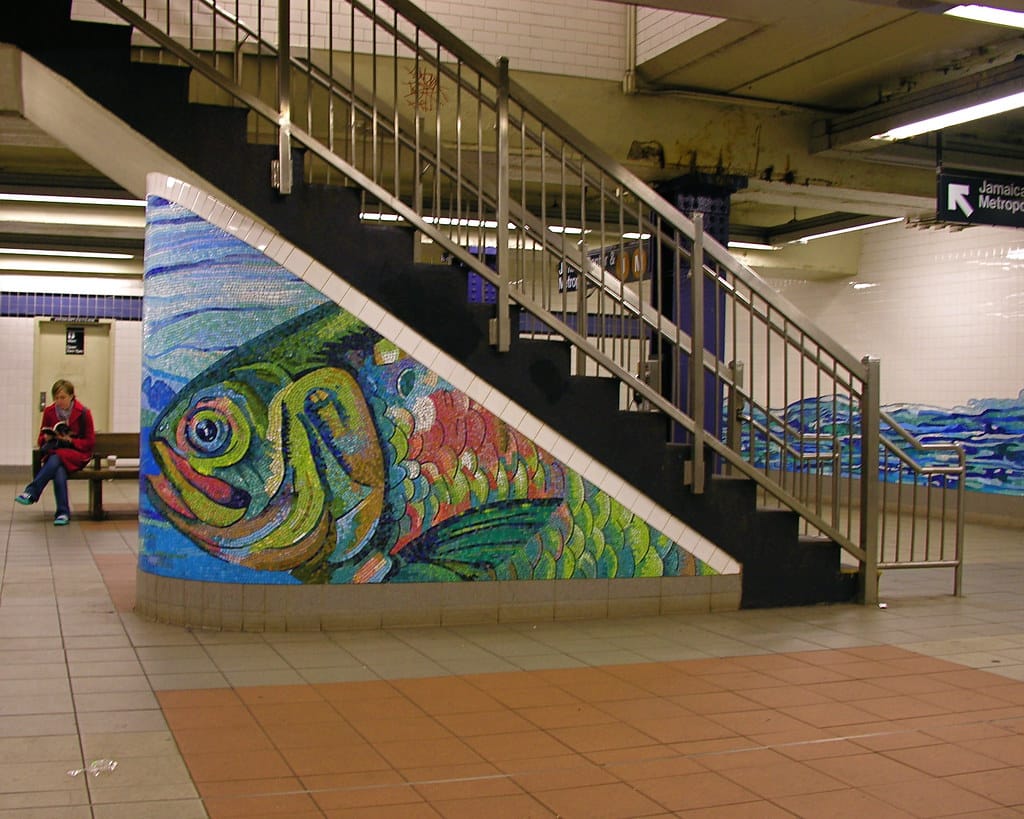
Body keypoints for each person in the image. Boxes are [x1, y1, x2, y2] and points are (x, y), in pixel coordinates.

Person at [15, 379, 95, 525]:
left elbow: (89, 442)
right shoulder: (49, 412)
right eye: (56, 398)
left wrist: (70, 440)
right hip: (57, 453)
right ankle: (62, 513)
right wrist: (46, 437)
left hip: (77, 454)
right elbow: (40, 439)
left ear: (72, 396)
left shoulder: (84, 413)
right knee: (58, 470)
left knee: (57, 457)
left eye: (63, 397)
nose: (59, 401)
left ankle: (32, 492)